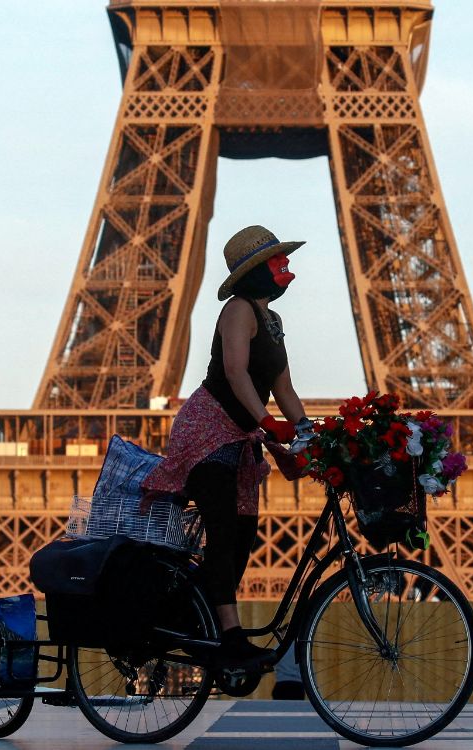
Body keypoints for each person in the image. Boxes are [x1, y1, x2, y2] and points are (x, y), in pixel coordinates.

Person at [142, 224, 309, 666]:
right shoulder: (237, 310)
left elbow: (284, 387)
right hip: (208, 429)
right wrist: (267, 422)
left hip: (241, 437)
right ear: (255, 271)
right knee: (222, 530)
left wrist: (309, 430)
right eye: (278, 261)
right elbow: (235, 373)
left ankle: (203, 618)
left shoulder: (273, 321)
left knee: (243, 538)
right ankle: (231, 639)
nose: (286, 266)